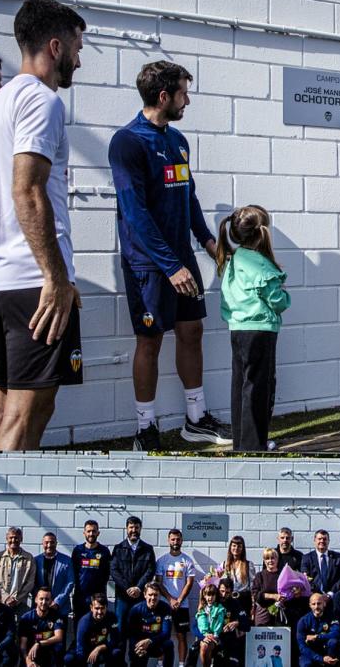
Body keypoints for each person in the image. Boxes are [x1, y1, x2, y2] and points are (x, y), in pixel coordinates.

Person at [0, 0, 87, 451]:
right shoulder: (42, 102)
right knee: (26, 415)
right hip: (34, 285)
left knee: (6, 407)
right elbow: (27, 191)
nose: (80, 60)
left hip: (4, 282)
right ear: (56, 46)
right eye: (78, 49)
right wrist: (55, 277)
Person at [109, 59, 230, 451]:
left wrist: (210, 243)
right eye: (183, 93)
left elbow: (188, 196)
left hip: (181, 259)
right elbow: (135, 212)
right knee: (150, 341)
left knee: (192, 331)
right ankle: (145, 428)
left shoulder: (178, 140)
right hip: (149, 264)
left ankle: (196, 420)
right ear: (164, 96)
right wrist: (170, 264)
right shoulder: (127, 142)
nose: (188, 100)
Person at [217, 205, 290, 451]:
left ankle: (243, 444)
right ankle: (254, 447)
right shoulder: (261, 264)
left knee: (241, 386)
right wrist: (285, 298)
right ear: (263, 233)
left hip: (237, 330)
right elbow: (276, 300)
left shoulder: (232, 260)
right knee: (259, 387)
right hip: (261, 331)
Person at [156, 529, 196, 664]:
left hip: (182, 605)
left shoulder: (187, 560)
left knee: (181, 635)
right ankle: (160, 663)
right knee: (161, 635)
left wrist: (179, 600)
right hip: (164, 604)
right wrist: (170, 599)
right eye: (173, 539)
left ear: (182, 541)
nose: (175, 542)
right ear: (168, 541)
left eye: (178, 539)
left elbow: (189, 583)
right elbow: (159, 583)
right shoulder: (162, 560)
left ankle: (181, 664)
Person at [113, 517, 156, 634]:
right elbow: (114, 571)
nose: (134, 530)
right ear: (126, 529)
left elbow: (150, 570)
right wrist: (128, 588)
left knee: (139, 630)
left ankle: (136, 653)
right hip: (122, 597)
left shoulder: (148, 549)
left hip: (140, 596)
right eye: (131, 527)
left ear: (140, 529)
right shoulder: (118, 548)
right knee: (120, 629)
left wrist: (138, 588)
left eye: (136, 527)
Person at [66, 594, 121, 667]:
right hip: (84, 648)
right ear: (91, 608)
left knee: (116, 653)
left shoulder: (111, 617)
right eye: (97, 608)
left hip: (100, 646)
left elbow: (116, 640)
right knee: (69, 658)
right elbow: (80, 648)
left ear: (106, 607)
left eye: (102, 608)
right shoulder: (84, 622)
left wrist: (99, 648)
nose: (100, 612)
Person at [127, 584, 174, 667]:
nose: (153, 598)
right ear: (145, 595)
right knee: (136, 654)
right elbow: (131, 634)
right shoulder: (136, 609)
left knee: (169, 644)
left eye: (156, 595)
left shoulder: (166, 608)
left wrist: (149, 641)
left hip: (156, 643)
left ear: (159, 596)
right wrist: (139, 647)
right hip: (140, 644)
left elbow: (166, 633)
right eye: (150, 595)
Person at [0, 527, 36, 612]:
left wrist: (17, 600)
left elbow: (30, 582)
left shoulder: (29, 558)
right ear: (6, 539)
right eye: (11, 538)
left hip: (20, 604)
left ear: (21, 539)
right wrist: (6, 598)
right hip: (0, 602)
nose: (13, 540)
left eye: (16, 537)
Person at [70, 521, 111, 614]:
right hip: (80, 597)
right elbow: (73, 571)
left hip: (98, 597)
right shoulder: (78, 550)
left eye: (93, 531)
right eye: (88, 531)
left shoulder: (104, 551)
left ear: (98, 533)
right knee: (79, 625)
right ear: (84, 533)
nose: (91, 534)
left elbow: (107, 573)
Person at [19, 588, 66, 667]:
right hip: (31, 655)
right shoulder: (26, 618)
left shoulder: (56, 616)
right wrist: (28, 661)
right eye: (41, 599)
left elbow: (59, 637)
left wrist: (39, 644)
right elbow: (23, 646)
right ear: (36, 600)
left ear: (51, 601)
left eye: (47, 599)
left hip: (49, 655)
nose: (44, 602)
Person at [296, 593, 340, 667]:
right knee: (305, 665)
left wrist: (317, 637)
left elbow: (336, 633)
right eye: (314, 604)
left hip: (326, 651)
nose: (316, 607)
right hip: (310, 653)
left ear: (324, 604)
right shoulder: (303, 621)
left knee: (333, 642)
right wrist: (321, 659)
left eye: (319, 603)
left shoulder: (332, 617)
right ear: (310, 605)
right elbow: (302, 647)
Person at [34, 533, 73, 614]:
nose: (49, 545)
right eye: (46, 542)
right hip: (40, 608)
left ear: (56, 543)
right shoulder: (35, 561)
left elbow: (70, 582)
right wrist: (40, 599)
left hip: (60, 607)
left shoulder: (67, 561)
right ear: (42, 543)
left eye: (52, 542)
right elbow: (31, 582)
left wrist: (58, 601)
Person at [301, 530, 340, 595]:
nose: (322, 541)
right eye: (319, 539)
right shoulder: (307, 558)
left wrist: (330, 594)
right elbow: (305, 577)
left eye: (324, 539)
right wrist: (317, 594)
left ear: (328, 541)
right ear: (315, 541)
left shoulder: (337, 557)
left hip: (333, 596)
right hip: (314, 597)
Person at [193, 582, 226, 667]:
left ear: (216, 596)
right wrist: (205, 635)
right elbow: (197, 626)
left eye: (212, 595)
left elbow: (219, 624)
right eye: (208, 595)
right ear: (204, 596)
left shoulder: (220, 608)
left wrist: (213, 635)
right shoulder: (201, 610)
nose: (210, 598)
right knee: (204, 645)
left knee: (205, 646)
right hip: (204, 637)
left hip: (216, 637)